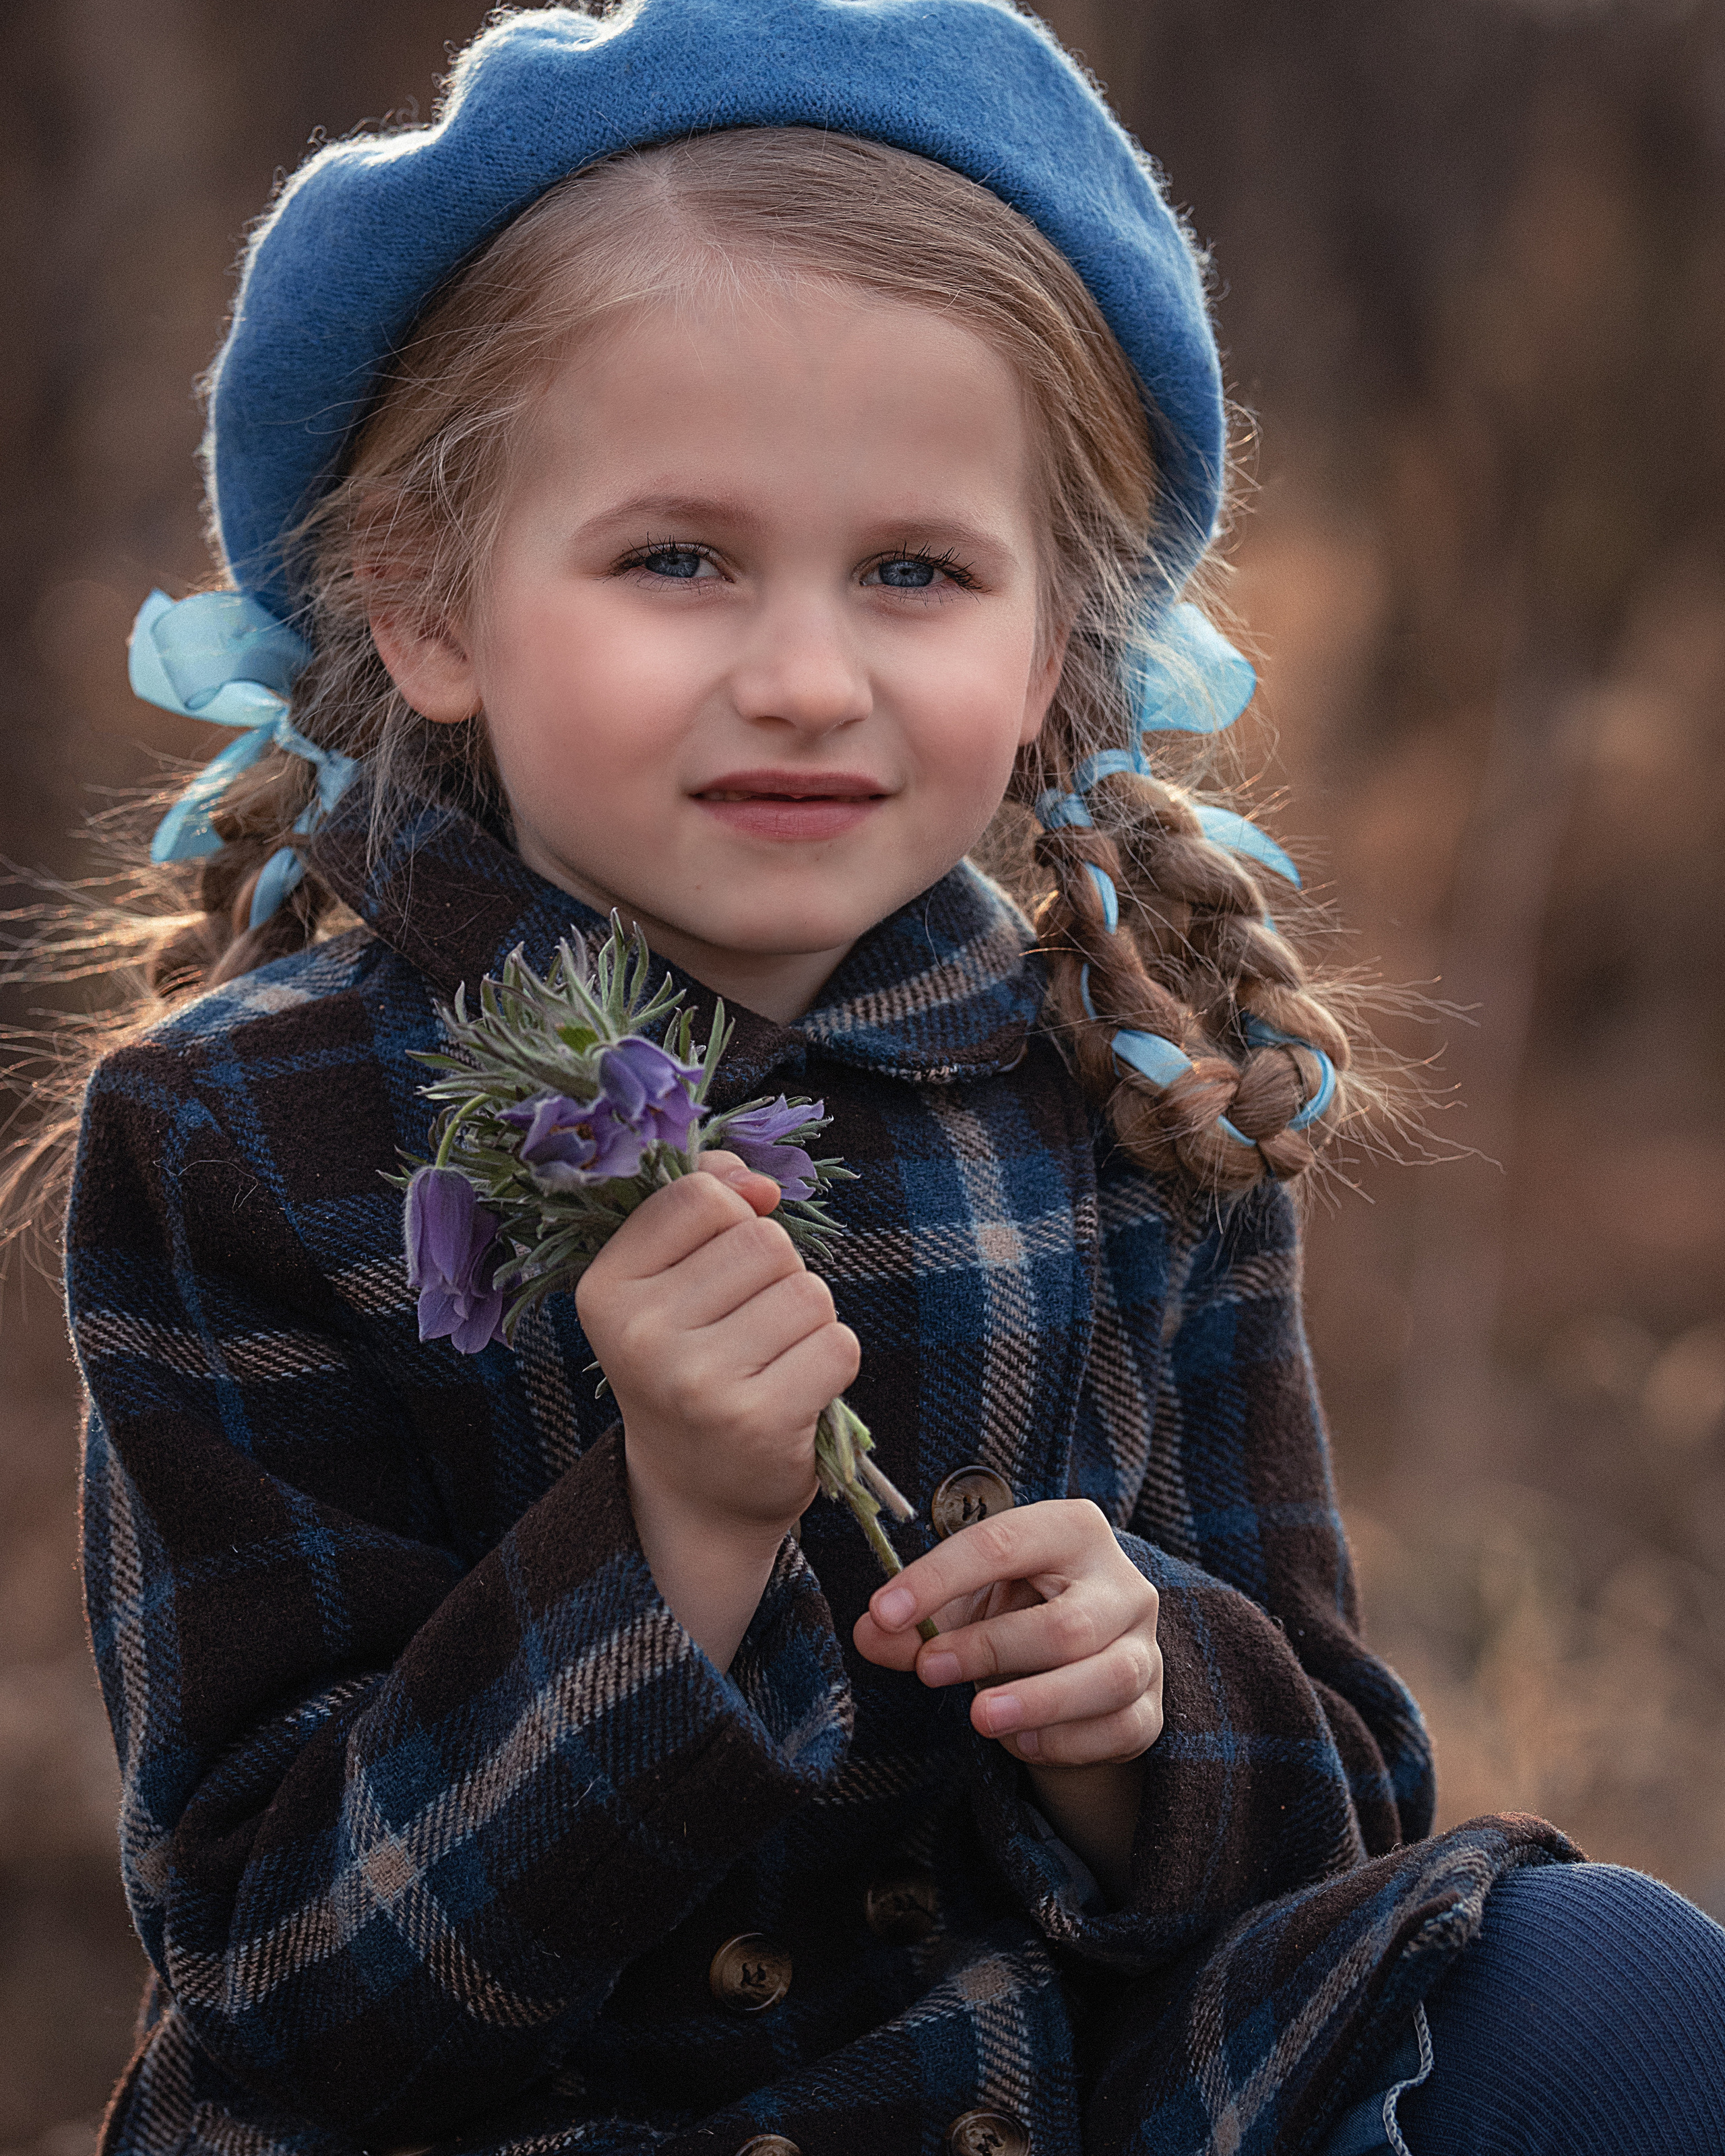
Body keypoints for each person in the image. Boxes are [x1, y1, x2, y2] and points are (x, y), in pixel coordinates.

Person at [41, 3, 1724, 2152]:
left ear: (1046, 665)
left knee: (1614, 1992)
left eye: (916, 573)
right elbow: (290, 1988)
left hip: (1052, 2098)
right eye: (679, 559)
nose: (810, 675)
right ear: (431, 602)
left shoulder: (1136, 1107)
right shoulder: (248, 1141)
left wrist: (1143, 1711)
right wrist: (663, 1548)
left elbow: (1339, 1814)